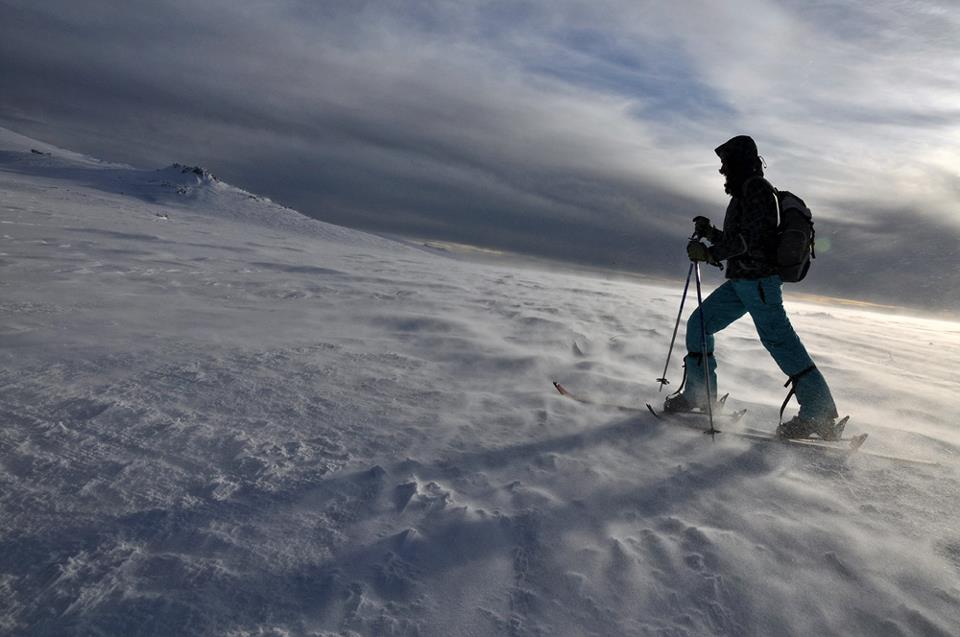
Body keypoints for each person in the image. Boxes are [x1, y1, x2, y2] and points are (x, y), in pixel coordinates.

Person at [663, 135, 843, 440]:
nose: (722, 170)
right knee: (700, 323)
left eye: (725, 163)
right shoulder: (745, 192)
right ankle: (698, 397)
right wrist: (711, 234)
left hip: (759, 282)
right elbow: (740, 241)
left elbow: (752, 240)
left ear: (740, 162)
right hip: (743, 282)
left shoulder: (756, 189)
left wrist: (709, 254)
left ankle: (819, 414)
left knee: (780, 342)